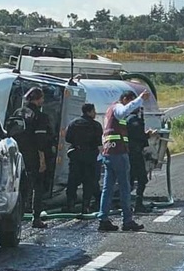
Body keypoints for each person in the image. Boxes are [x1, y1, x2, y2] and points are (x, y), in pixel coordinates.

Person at [96, 89, 150, 232]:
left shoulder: (109, 112)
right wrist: (140, 98)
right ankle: (127, 220)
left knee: (107, 189)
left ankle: (103, 219)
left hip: (108, 153)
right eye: (131, 101)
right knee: (125, 187)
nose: (134, 107)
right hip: (118, 153)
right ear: (125, 99)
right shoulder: (118, 108)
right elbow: (124, 111)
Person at [9, 86, 51, 229]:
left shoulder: (17, 112)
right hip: (33, 155)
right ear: (38, 99)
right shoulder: (40, 116)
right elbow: (41, 140)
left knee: (20, 185)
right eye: (42, 98)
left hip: (16, 154)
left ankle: (16, 216)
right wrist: (42, 159)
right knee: (37, 187)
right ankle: (36, 218)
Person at [64, 103, 102, 214]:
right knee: (88, 182)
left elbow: (68, 138)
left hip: (76, 155)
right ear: (89, 111)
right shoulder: (96, 125)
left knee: (72, 181)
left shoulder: (73, 123)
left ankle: (70, 204)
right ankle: (85, 206)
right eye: (94, 111)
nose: (95, 113)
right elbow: (98, 142)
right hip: (90, 156)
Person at [126, 108, 154, 213]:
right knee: (142, 179)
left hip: (128, 153)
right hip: (135, 154)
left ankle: (127, 204)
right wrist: (148, 135)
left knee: (130, 180)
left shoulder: (125, 118)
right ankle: (138, 204)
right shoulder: (134, 120)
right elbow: (139, 136)